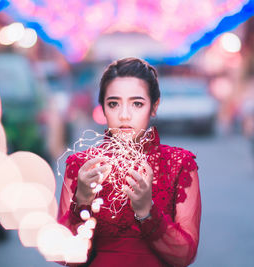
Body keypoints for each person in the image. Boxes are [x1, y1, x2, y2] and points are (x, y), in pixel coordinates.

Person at [58, 58, 201, 267]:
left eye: (137, 103)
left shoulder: (179, 164)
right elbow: (65, 256)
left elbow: (184, 255)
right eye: (114, 104)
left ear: (154, 107)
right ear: (103, 108)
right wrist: (82, 202)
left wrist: (146, 212)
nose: (124, 115)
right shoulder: (82, 166)